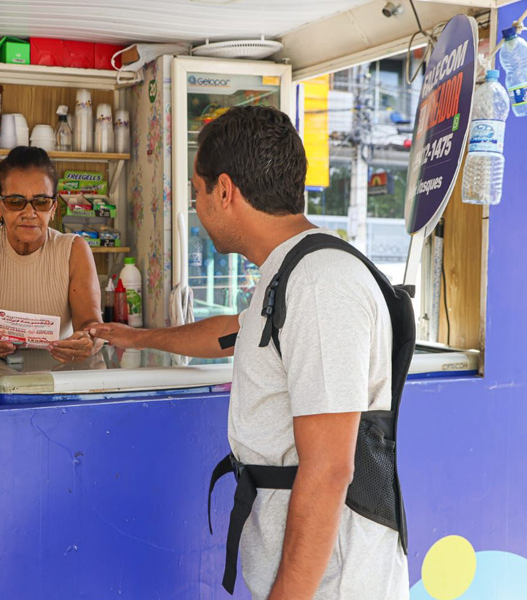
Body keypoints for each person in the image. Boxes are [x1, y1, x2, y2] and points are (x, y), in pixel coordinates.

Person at [91, 106, 409, 599]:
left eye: (197, 192)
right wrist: (136, 337)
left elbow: (329, 471)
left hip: (332, 584)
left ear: (225, 190)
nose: (197, 206)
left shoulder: (321, 284)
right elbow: (235, 333)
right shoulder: (289, 271)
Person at [0, 146, 102, 364]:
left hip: (61, 381)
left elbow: (91, 325)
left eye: (41, 202)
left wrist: (88, 341)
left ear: (54, 206)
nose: (29, 213)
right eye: (15, 202)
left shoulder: (74, 249)